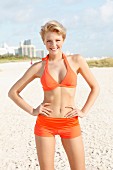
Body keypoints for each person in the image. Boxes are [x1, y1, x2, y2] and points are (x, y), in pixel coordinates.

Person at [8, 20, 100, 170]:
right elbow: (13, 92)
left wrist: (83, 111)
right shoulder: (39, 67)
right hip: (45, 124)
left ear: (63, 39)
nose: (53, 44)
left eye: (57, 40)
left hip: (70, 122)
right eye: (49, 41)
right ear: (44, 42)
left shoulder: (77, 60)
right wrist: (33, 110)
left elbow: (95, 87)